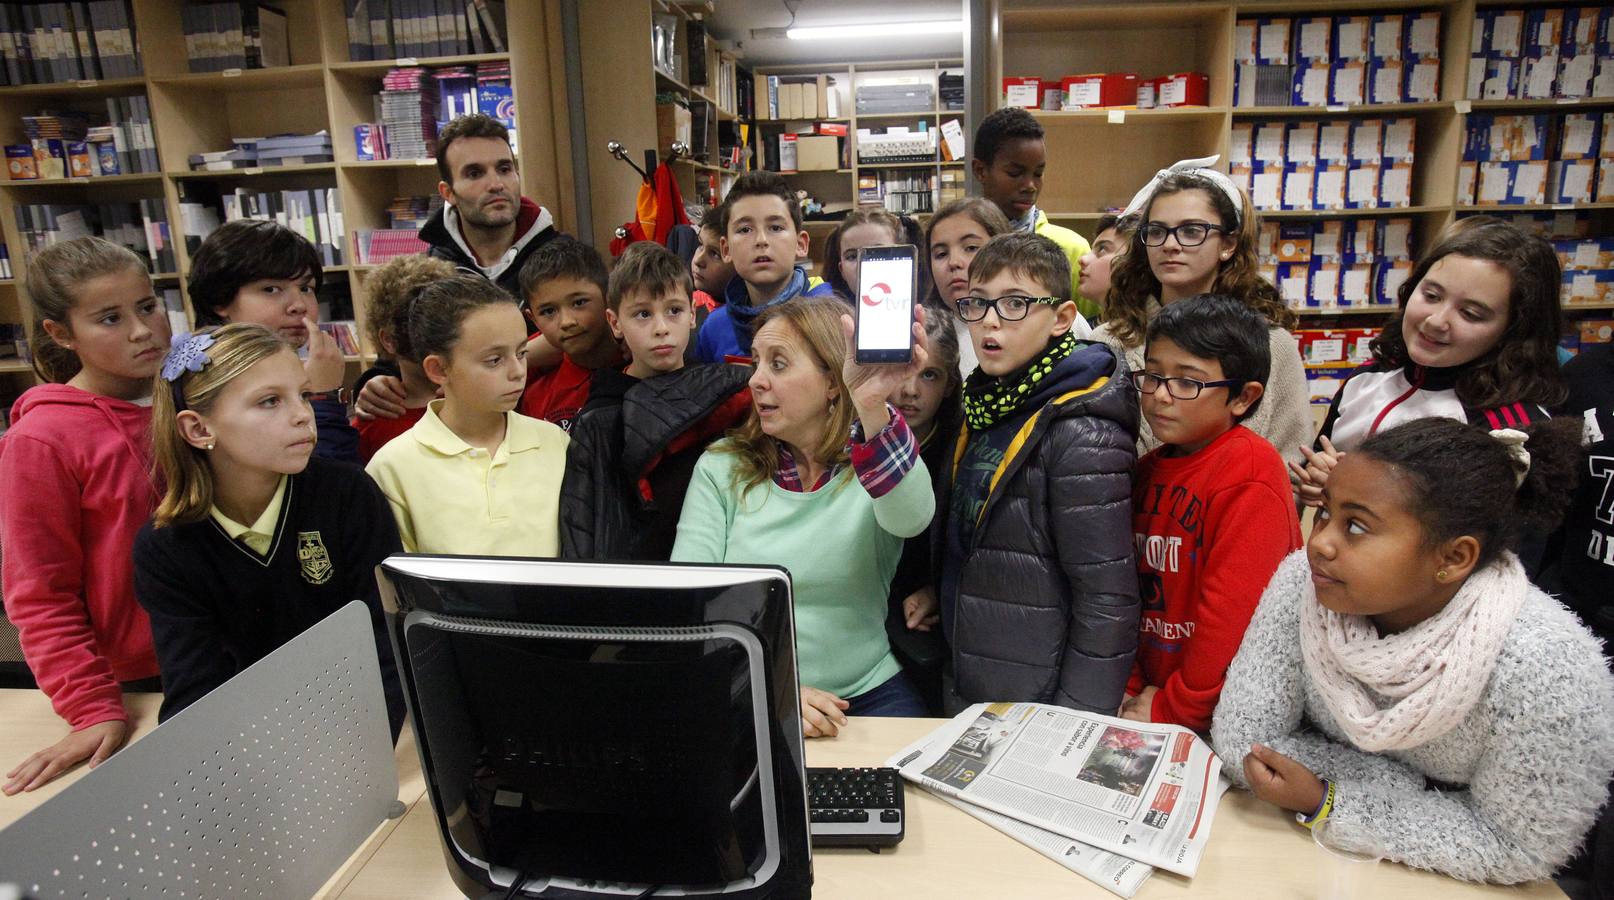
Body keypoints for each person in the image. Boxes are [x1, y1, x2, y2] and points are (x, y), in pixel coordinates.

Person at [1213, 417, 1614, 884]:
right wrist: (1413, 788)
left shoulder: (1549, 668)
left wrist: (1327, 798)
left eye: (1357, 527)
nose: (1319, 542)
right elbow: (1245, 742)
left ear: (1453, 558)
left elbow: (1518, 847)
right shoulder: (1301, 581)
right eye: (1324, 511)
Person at [673, 295, 935, 737]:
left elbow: (912, 519)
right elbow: (687, 605)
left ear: (833, 382)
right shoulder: (722, 466)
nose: (755, 380)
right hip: (748, 685)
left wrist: (872, 404)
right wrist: (772, 688)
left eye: (778, 364)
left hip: (868, 691)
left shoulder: (876, 459)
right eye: (756, 362)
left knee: (911, 801)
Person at [133, 324, 406, 739]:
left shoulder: (348, 493)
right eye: (269, 402)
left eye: (304, 394)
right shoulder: (166, 547)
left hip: (362, 729)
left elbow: (386, 640)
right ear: (198, 429)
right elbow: (193, 693)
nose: (302, 414)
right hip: (253, 743)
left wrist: (359, 747)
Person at [940, 231, 1139, 714]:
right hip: (977, 669)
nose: (990, 322)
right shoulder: (988, 399)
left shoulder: (1082, 432)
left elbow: (1107, 600)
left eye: (1014, 305)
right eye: (978, 303)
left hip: (1040, 698)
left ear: (1062, 319)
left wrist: (1076, 718)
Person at [0, 238, 171, 794]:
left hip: (223, 655)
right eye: (109, 318)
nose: (142, 330)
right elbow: (38, 591)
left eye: (147, 306)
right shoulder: (42, 439)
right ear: (61, 334)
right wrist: (91, 706)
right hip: (134, 685)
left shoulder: (192, 401)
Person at [1293, 217, 1567, 507]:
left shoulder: (1514, 431)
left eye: (1471, 313)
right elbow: (1320, 463)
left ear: (1514, 330)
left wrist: (1351, 493)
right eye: (1431, 295)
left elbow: (1502, 546)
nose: (1436, 321)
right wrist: (1318, 480)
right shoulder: (1369, 376)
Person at [1119, 295, 1301, 730]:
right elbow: (1121, 592)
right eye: (1154, 375)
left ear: (1243, 397)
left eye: (1188, 382)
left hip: (1222, 711)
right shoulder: (1144, 470)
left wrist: (1175, 708)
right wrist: (1130, 684)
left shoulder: (1249, 471)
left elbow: (1229, 616)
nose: (1161, 395)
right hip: (1151, 696)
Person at [1097, 156, 1312, 466]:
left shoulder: (1272, 344)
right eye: (1157, 231)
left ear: (1228, 244)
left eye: (1191, 230)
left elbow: (1292, 466)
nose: (1170, 244)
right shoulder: (1110, 342)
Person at [558, 242, 751, 560]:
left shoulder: (722, 398)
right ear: (615, 322)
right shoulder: (598, 419)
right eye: (643, 314)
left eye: (673, 310)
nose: (661, 328)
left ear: (692, 314)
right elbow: (580, 523)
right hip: (628, 583)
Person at [366, 274, 569, 556]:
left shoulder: (556, 443)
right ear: (438, 369)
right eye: (494, 360)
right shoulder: (392, 467)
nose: (518, 371)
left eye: (521, 353)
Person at [189, 218, 358, 462]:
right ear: (220, 301)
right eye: (271, 289)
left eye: (306, 288)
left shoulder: (286, 367)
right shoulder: (207, 382)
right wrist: (322, 397)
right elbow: (325, 485)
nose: (298, 305)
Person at [883, 312, 964, 714]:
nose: (910, 390)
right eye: (901, 370)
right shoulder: (852, 440)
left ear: (950, 384)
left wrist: (937, 589)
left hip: (925, 625)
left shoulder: (961, 448)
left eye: (929, 375)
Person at [924, 197, 1093, 380]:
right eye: (940, 254)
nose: (954, 263)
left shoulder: (1061, 319)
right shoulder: (927, 335)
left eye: (971, 248)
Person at [693, 171, 833, 364]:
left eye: (775, 228)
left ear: (801, 244)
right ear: (726, 249)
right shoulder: (714, 329)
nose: (761, 240)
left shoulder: (832, 319)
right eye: (745, 230)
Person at [970, 106, 1094, 320]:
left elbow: (1088, 337)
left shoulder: (1072, 248)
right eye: (1015, 173)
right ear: (981, 170)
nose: (1030, 185)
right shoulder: (965, 246)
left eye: (1038, 173)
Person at [419, 112, 562, 297]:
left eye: (504, 169)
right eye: (474, 174)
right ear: (448, 193)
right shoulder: (427, 279)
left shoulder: (562, 263)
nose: (496, 185)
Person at [352, 254, 458, 463]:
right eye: (421, 323)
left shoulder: (482, 402)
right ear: (389, 340)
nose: (442, 333)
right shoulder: (374, 421)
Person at [515, 238, 625, 430]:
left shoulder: (648, 364)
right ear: (533, 320)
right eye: (548, 311)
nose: (567, 322)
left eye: (579, 302)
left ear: (609, 296)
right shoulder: (534, 394)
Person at [821, 207, 911, 303]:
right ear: (841, 269)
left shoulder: (919, 313)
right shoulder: (823, 315)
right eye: (852, 256)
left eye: (877, 253)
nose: (863, 265)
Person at [1076, 212, 1136, 315]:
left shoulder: (1157, 328)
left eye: (1102, 249)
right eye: (1092, 250)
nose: (1083, 259)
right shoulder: (1096, 327)